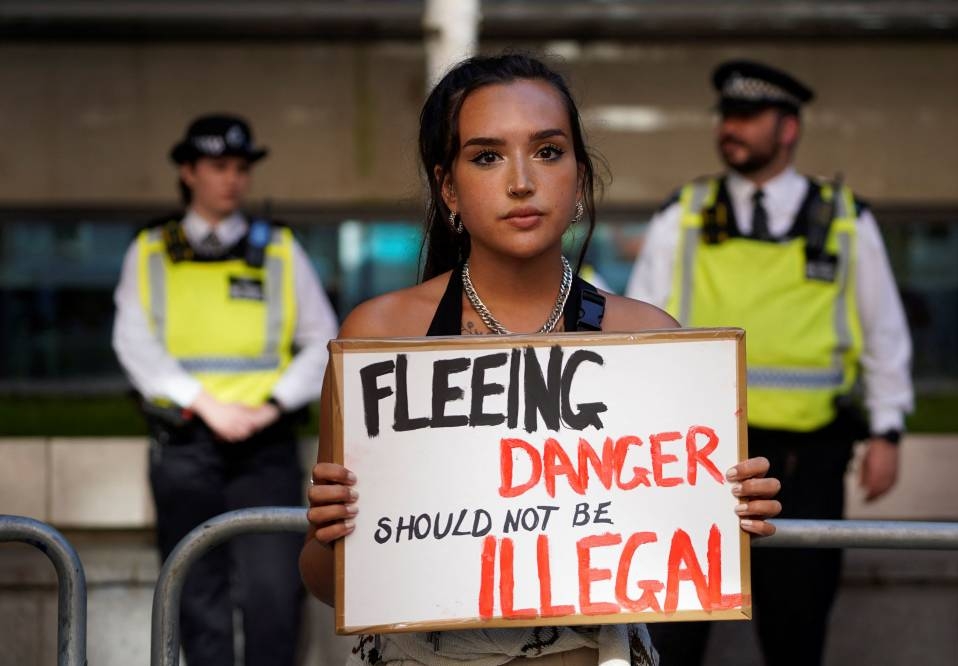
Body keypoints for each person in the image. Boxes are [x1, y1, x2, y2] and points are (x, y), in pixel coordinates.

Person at [299, 54, 782, 666]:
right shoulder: (379, 337)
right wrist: (330, 532)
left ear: (580, 179)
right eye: (487, 156)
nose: (521, 180)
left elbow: (672, 563)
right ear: (448, 186)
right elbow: (324, 581)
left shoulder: (649, 341)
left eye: (548, 151)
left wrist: (725, 512)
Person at [626, 60, 914, 665]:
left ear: (788, 130)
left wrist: (887, 430)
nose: (731, 128)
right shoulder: (683, 214)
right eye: (726, 116)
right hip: (698, 460)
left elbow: (884, 333)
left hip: (806, 463)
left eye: (748, 117)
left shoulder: (845, 218)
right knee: (673, 635)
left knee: (797, 632)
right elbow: (638, 327)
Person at [112, 113, 339, 666]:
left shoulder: (281, 248)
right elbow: (133, 340)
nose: (232, 179)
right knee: (195, 593)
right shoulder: (150, 249)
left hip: (264, 445)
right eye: (218, 167)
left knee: (274, 595)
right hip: (186, 443)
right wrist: (205, 404)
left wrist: (268, 408)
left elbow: (324, 341)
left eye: (241, 167)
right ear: (188, 171)